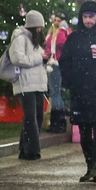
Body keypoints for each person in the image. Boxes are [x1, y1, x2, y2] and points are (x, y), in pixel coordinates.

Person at [60, 0, 96, 183]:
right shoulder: (74, 39)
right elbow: (64, 62)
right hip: (80, 91)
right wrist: (70, 82)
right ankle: (90, 166)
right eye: (85, 16)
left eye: (91, 16)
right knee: (84, 130)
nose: (88, 20)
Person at [8, 10, 49, 161]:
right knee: (31, 118)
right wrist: (39, 58)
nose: (40, 30)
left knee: (36, 117)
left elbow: (36, 60)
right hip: (25, 84)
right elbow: (17, 59)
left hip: (37, 84)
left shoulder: (36, 41)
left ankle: (25, 149)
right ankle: (32, 151)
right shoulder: (20, 38)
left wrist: (45, 60)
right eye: (38, 27)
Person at [44, 12, 71, 133]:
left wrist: (63, 29)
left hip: (57, 64)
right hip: (50, 64)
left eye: (59, 21)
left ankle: (57, 122)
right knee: (55, 92)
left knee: (55, 93)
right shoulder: (51, 33)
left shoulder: (64, 32)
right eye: (55, 20)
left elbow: (61, 43)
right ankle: (58, 121)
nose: (56, 23)